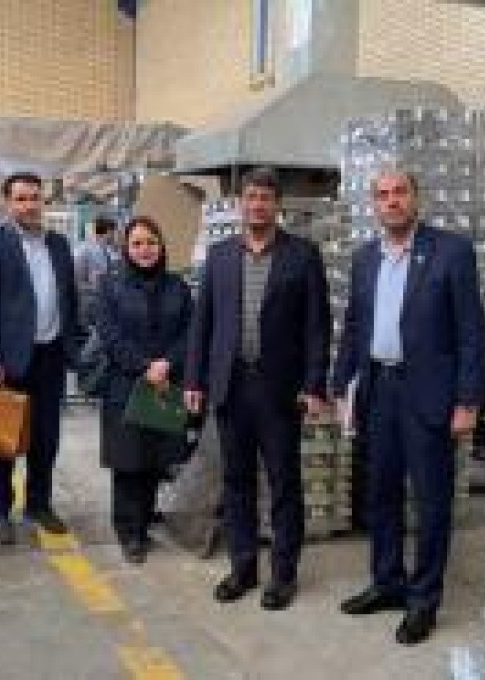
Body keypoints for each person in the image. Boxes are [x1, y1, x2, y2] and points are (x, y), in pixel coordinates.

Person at [331, 169, 485, 645]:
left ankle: (423, 600)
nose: (392, 201)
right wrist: (340, 385)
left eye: (400, 192)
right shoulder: (364, 258)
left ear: (416, 198)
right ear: (374, 204)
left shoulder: (451, 252)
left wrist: (468, 400)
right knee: (380, 494)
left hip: (428, 395)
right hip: (378, 390)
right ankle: (387, 582)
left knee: (431, 500)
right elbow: (354, 326)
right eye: (383, 195)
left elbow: (471, 332)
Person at [184, 167, 330, 611]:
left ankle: (283, 575)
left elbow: (317, 327)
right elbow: (202, 324)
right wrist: (194, 379)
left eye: (266, 198)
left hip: (279, 389)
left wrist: (313, 384)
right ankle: (242, 567)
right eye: (251, 197)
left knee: (284, 483)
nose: (258, 205)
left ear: (277, 204)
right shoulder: (220, 256)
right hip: (230, 386)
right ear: (240, 204)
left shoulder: (302, 256)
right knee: (236, 481)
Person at [0, 172, 79, 544]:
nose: (29, 205)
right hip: (10, 359)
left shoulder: (59, 244)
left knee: (46, 438)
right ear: (8, 203)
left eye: (35, 198)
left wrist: (72, 347)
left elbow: (69, 298)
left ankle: (38, 504)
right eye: (21, 199)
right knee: (3, 439)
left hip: (51, 354)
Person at [92, 216, 193, 564]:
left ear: (161, 247)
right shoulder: (110, 285)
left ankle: (145, 519)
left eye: (151, 242)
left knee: (155, 459)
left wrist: (168, 363)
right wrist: (144, 366)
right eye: (137, 243)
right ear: (126, 248)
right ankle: (129, 532)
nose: (145, 249)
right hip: (126, 385)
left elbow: (190, 331)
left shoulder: (178, 287)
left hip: (165, 383)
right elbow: (109, 335)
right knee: (128, 461)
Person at [73, 215, 121, 326]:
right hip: (89, 305)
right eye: (113, 232)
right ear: (107, 232)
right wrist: (96, 286)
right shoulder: (83, 251)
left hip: (106, 305)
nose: (115, 235)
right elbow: (76, 282)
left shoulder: (110, 251)